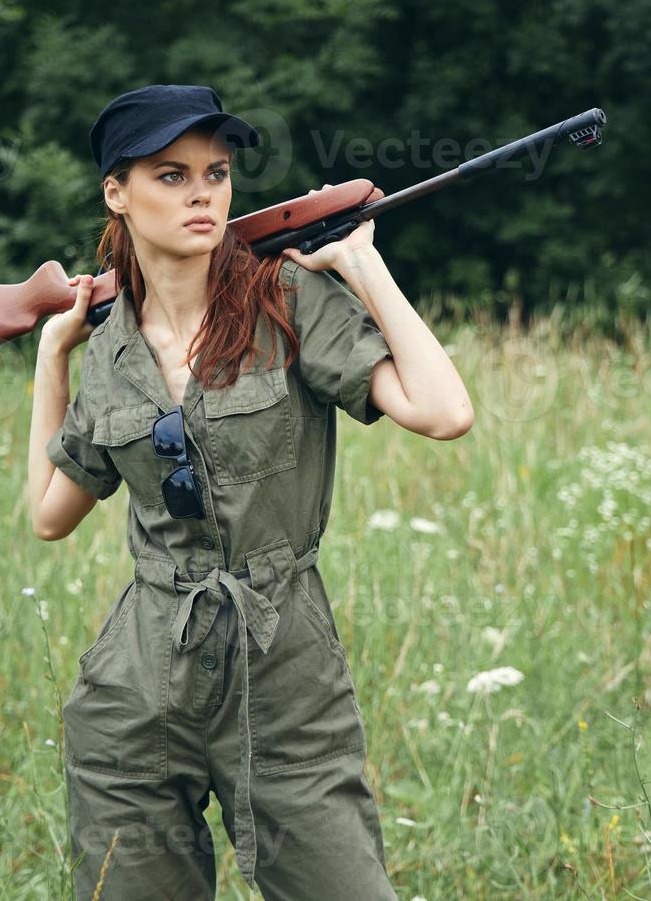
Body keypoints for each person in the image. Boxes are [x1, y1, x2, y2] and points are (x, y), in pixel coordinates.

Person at [26, 84, 473, 899]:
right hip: (137, 684)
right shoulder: (110, 342)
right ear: (115, 193)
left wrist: (362, 263)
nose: (202, 192)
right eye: (171, 174)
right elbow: (50, 515)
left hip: (283, 662)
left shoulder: (285, 297)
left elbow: (446, 413)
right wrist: (48, 363)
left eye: (217, 172)